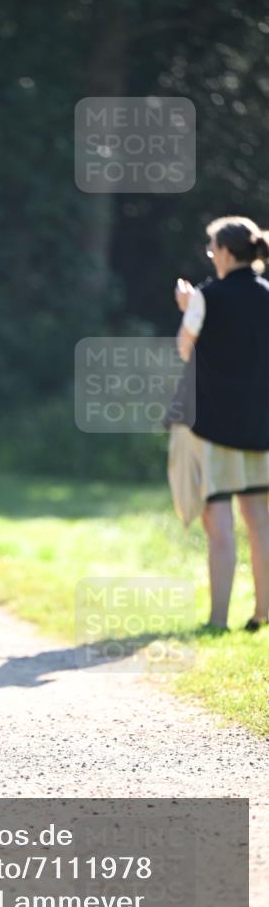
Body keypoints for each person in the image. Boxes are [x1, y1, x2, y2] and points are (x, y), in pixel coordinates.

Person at [168, 216, 269, 632]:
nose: (212, 256)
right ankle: (263, 613)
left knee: (219, 521)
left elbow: (184, 350)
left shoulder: (207, 296)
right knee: (260, 521)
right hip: (260, 424)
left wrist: (187, 307)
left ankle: (217, 619)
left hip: (212, 423)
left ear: (226, 252)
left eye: (212, 249)